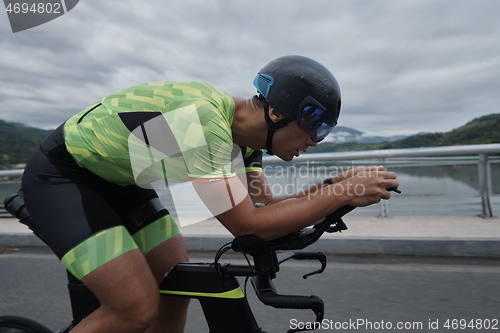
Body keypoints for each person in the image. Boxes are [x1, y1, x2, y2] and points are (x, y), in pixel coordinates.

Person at [21, 55, 399, 333]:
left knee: (176, 280)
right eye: (315, 130)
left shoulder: (245, 141)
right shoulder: (202, 120)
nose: (314, 142)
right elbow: (248, 226)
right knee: (134, 310)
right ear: (277, 114)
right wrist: (342, 191)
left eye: (325, 133)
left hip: (123, 186)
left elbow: (263, 208)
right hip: (63, 177)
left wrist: (336, 187)